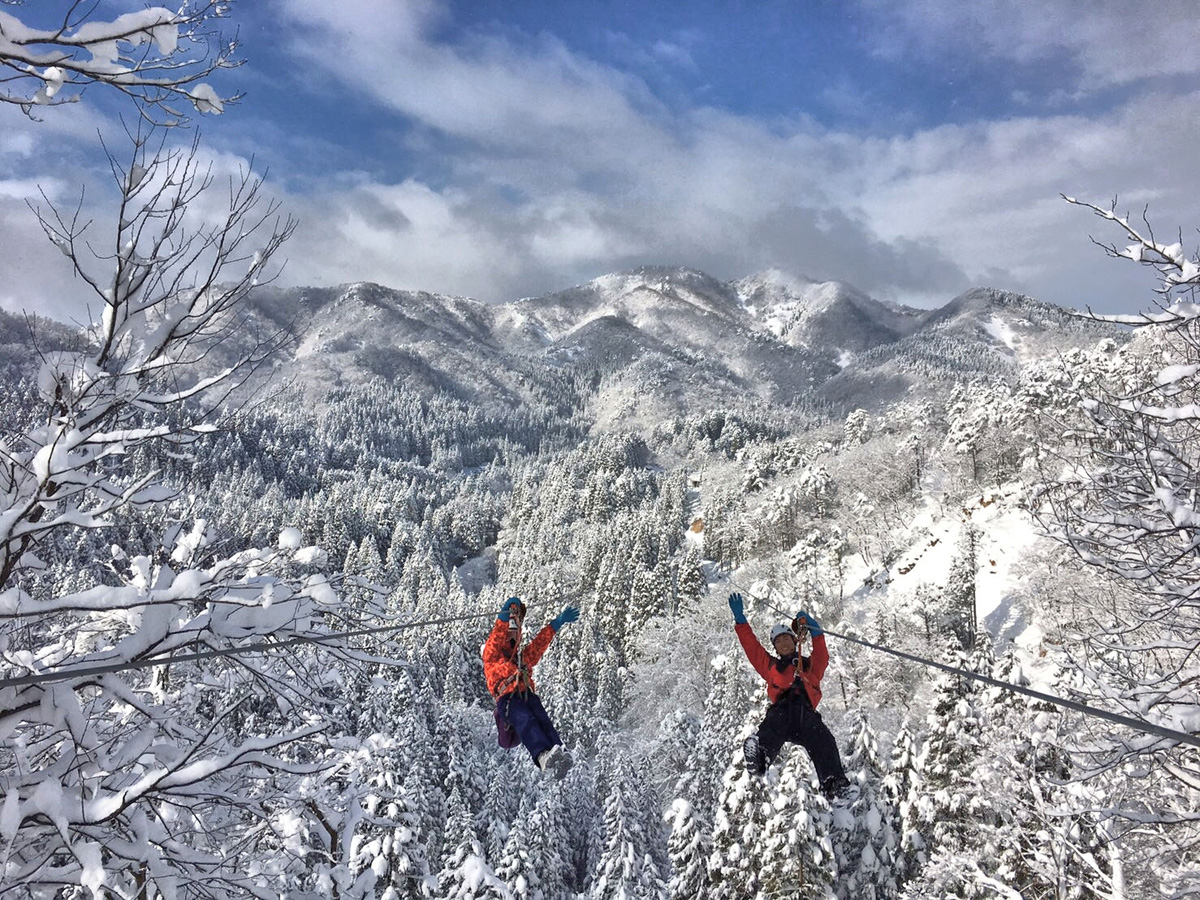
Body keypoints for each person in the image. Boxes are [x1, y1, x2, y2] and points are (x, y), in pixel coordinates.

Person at [728, 591, 851, 798]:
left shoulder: (810, 666)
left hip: (806, 714)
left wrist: (814, 629)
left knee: (824, 740)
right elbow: (752, 649)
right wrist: (741, 621)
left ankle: (833, 784)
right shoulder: (771, 666)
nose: (783, 643)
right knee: (771, 726)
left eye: (786, 638)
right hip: (783, 709)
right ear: (775, 647)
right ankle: (759, 758)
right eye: (778, 641)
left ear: (795, 641)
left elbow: (822, 653)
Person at [482, 596, 580, 778]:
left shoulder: (520, 658)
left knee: (543, 720)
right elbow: (497, 635)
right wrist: (506, 616)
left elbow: (537, 646)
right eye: (510, 632)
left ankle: (558, 750)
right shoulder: (492, 655)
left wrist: (556, 624)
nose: (511, 637)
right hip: (508, 699)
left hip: (525, 694)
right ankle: (542, 754)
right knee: (526, 720)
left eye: (514, 632)